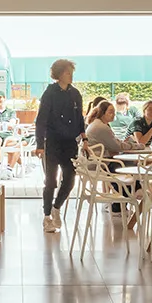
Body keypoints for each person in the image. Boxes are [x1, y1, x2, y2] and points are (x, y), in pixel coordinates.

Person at [34, 58, 85, 234]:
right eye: (67, 72)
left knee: (70, 179)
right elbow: (41, 119)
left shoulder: (75, 94)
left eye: (71, 73)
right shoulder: (50, 93)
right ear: (59, 74)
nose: (70, 76)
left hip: (70, 142)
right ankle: (47, 216)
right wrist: (39, 144)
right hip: (52, 142)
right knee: (50, 181)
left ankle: (57, 207)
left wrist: (84, 137)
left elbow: (80, 118)